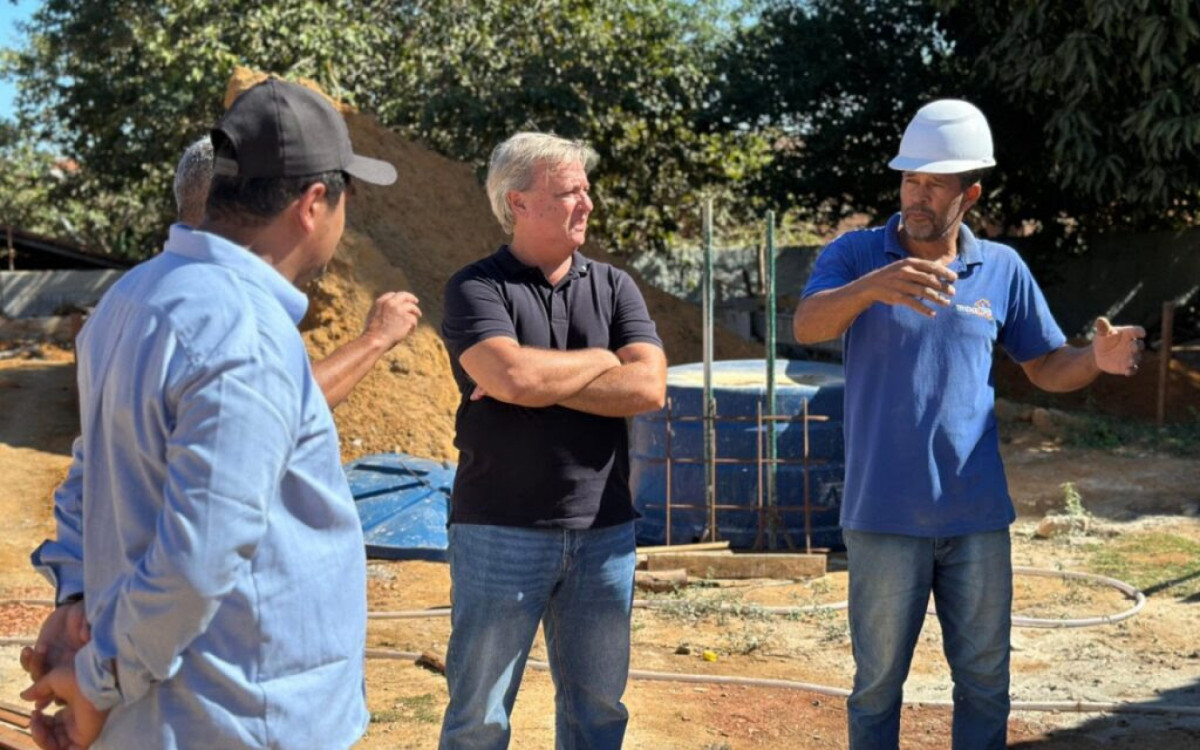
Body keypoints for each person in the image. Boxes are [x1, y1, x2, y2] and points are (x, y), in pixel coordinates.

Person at [20, 78, 400, 750]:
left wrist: (77, 605)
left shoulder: (133, 299)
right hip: (241, 718)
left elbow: (89, 480)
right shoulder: (245, 333)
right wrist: (99, 674)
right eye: (346, 200)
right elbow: (200, 556)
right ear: (314, 204)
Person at [793, 99, 1145, 750]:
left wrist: (1094, 359)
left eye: (934, 183)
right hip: (882, 518)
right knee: (876, 690)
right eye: (910, 180)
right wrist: (873, 287)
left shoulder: (1002, 269)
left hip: (977, 519)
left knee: (986, 686)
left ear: (970, 193)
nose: (918, 195)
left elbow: (1044, 364)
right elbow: (807, 323)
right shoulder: (856, 254)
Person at [438, 132, 667, 749]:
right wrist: (599, 358)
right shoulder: (476, 287)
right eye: (569, 193)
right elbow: (510, 376)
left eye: (585, 191)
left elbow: (648, 387)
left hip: (605, 533)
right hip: (498, 532)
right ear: (518, 203)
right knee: (478, 719)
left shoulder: (615, 286)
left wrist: (534, 383)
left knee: (598, 713)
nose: (586, 204)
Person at [170, 135, 422, 409]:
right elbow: (279, 409)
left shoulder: (149, 286)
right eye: (336, 198)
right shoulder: (232, 307)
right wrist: (375, 339)